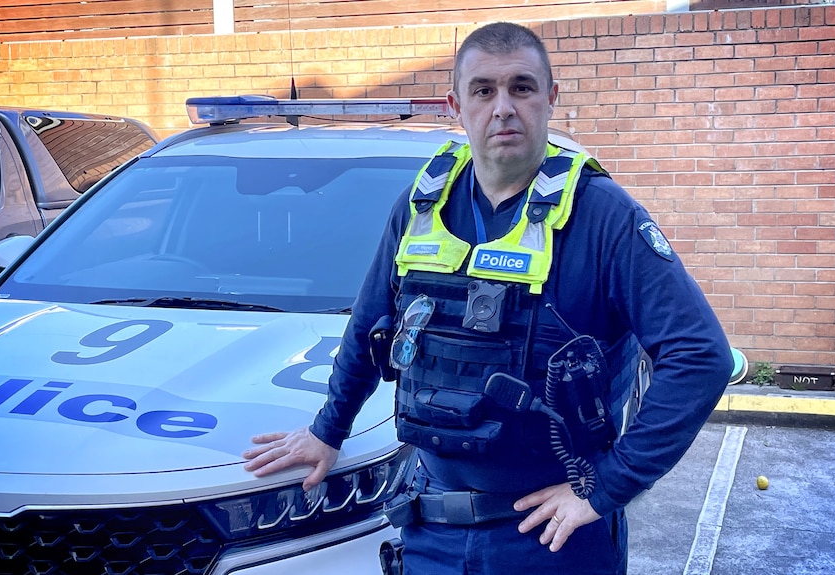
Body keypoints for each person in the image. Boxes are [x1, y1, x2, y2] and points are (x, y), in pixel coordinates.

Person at [243, 21, 733, 575]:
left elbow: (700, 357)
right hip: (430, 531)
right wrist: (327, 431)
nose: (503, 107)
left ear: (550, 98)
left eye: (521, 87)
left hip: (552, 541)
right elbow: (370, 324)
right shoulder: (421, 206)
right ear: (457, 104)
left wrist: (605, 488)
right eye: (484, 90)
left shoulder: (603, 216)